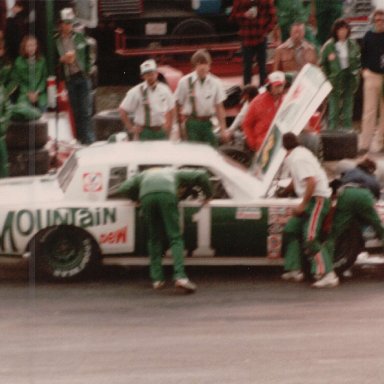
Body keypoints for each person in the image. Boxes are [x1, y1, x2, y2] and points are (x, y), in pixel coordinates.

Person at [117, 167, 213, 293]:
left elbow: (123, 188)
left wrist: (136, 198)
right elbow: (202, 175)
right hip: (167, 195)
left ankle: (157, 279)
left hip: (146, 198)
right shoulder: (175, 172)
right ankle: (180, 276)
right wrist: (208, 195)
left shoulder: (142, 175)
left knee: (154, 238)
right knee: (175, 237)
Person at [280, 132, 338, 288]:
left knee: (310, 237)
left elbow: (311, 182)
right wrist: (283, 191)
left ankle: (328, 274)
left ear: (284, 148)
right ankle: (294, 269)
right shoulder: (300, 153)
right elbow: (298, 179)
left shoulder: (298, 159)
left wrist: (303, 205)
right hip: (311, 199)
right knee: (291, 229)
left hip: (317, 200)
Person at [328, 158, 384, 266]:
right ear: (371, 169)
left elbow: (334, 185)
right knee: (378, 225)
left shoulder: (348, 172)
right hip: (363, 195)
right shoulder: (372, 179)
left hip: (346, 194)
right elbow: (374, 199)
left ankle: (328, 257)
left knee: (337, 229)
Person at [55, 7, 95, 145]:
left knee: (86, 110)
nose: (68, 26)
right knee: (75, 111)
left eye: (70, 23)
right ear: (60, 24)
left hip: (82, 76)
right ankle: (79, 140)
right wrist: (62, 60)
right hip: (70, 78)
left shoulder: (79, 36)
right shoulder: (56, 40)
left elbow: (89, 53)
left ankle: (89, 140)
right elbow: (55, 59)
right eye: (65, 23)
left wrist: (88, 69)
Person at [175, 49, 230, 147]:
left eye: (205, 63)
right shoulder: (184, 82)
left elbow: (219, 107)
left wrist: (223, 129)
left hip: (208, 123)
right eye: (199, 63)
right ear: (194, 65)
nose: (202, 67)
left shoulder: (216, 82)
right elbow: (177, 105)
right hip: (191, 123)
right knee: (194, 154)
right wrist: (179, 128)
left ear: (209, 65)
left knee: (213, 151)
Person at [319, 18, 361, 131]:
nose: (342, 32)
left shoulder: (353, 44)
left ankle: (347, 129)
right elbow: (323, 64)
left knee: (348, 104)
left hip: (349, 76)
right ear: (335, 31)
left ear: (348, 31)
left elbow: (358, 61)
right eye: (340, 29)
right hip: (335, 78)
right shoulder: (329, 46)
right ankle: (332, 130)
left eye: (345, 29)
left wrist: (356, 74)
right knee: (334, 106)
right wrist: (327, 77)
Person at [119, 59, 175, 141]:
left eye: (152, 73)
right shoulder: (136, 91)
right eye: (147, 74)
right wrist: (131, 128)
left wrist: (169, 126)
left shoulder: (165, 89)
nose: (150, 77)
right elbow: (122, 110)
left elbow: (172, 108)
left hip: (160, 130)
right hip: (144, 131)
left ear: (156, 74)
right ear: (142, 76)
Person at [230, 0, 277, 85]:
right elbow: (232, 16)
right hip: (246, 38)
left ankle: (263, 91)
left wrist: (265, 31)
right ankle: (247, 93)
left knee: (262, 67)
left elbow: (273, 18)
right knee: (247, 68)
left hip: (261, 38)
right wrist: (244, 15)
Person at [359, 9, 384, 155]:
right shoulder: (368, 36)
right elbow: (363, 55)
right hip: (372, 75)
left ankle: (381, 143)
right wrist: (365, 71)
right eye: (377, 20)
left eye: (382, 20)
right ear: (374, 21)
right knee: (369, 111)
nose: (380, 22)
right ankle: (364, 144)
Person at [242, 71, 285, 152]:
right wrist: (253, 143)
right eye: (276, 86)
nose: (279, 89)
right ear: (269, 86)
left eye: (281, 86)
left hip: (282, 142)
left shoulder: (287, 100)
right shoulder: (257, 102)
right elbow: (246, 124)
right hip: (262, 144)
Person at [12, 35, 48, 111]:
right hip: (25, 94)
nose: (31, 48)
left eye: (33, 45)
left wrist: (37, 92)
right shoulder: (18, 61)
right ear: (24, 47)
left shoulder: (42, 60)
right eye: (29, 45)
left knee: (43, 108)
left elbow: (44, 78)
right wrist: (28, 93)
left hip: (40, 94)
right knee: (22, 109)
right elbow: (18, 80)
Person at [0, 83, 11, 177]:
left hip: (0, 136)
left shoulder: (1, 89)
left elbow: (8, 108)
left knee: (4, 165)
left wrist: (3, 123)